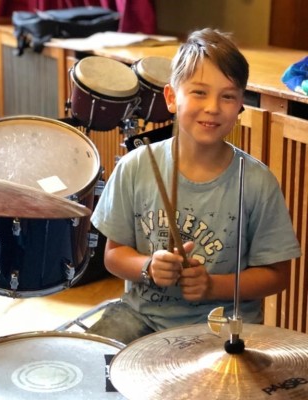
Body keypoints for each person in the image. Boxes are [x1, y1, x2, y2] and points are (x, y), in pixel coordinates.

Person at [86, 28, 301, 344]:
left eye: (227, 96)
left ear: (240, 105)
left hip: (222, 325)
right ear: (172, 97)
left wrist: (213, 286)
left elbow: (277, 275)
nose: (213, 107)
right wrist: (148, 266)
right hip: (141, 316)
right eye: (199, 92)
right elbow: (113, 256)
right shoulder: (135, 166)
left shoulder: (257, 181)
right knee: (92, 365)